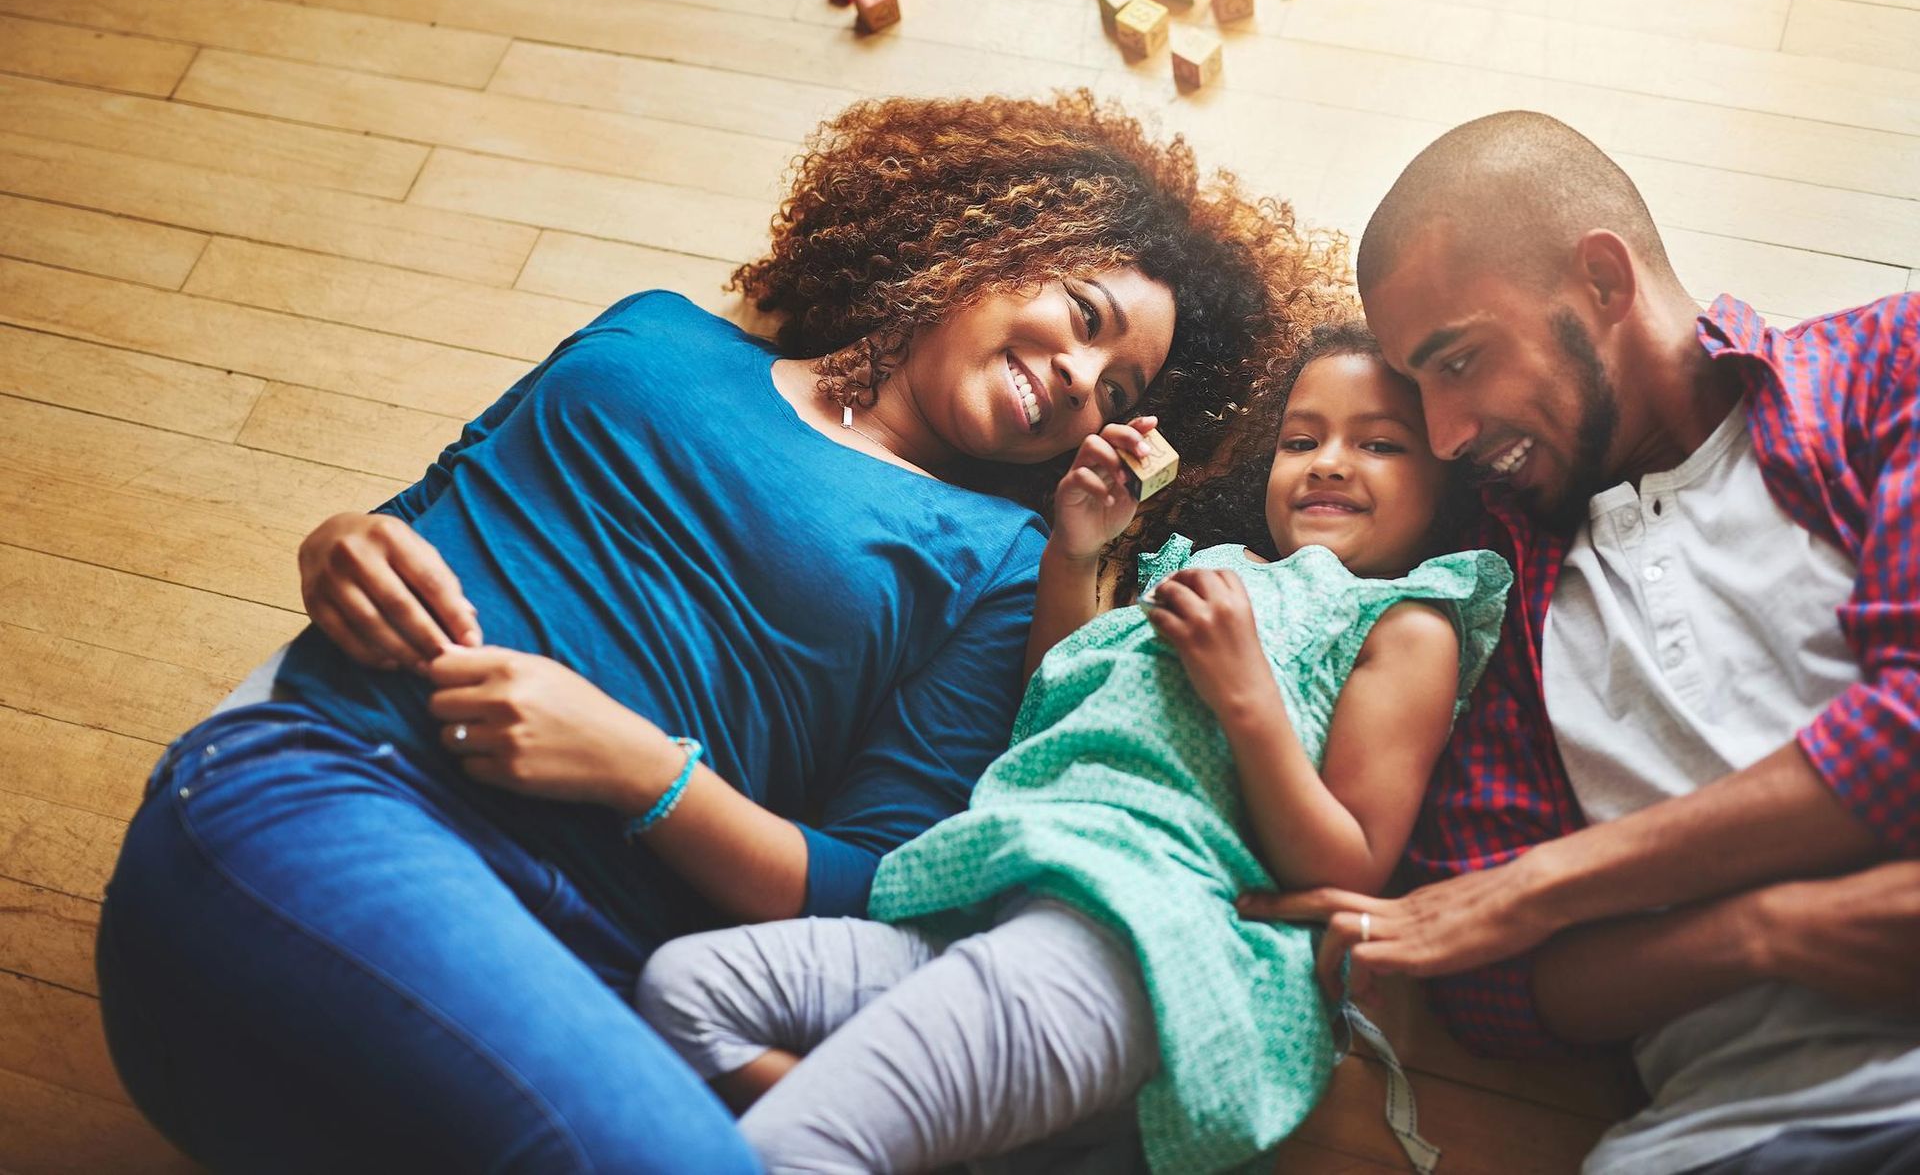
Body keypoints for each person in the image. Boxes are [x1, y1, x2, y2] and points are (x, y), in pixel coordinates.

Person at [93, 91, 1349, 1174]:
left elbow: (877, 882)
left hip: (587, 972)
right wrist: (337, 545)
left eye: (1116, 391)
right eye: (1082, 315)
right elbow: (433, 509)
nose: (1083, 380)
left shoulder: (1001, 564)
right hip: (351, 789)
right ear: (983, 241)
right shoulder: (652, 334)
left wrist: (642, 770)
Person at [635, 323, 1513, 1174]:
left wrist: (1246, 696)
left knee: (800, 1145)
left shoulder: (1405, 618)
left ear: (1448, 483)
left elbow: (1350, 867)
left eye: (1381, 446)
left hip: (1141, 943)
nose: (1328, 461)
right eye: (1300, 439)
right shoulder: (1201, 566)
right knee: (684, 991)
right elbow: (1056, 697)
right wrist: (1077, 548)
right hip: (1002, 897)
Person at [1244, 111, 1920, 1175]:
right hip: (1714, 1142)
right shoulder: (1493, 600)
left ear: (1604, 282)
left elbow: (1908, 730)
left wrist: (1548, 884)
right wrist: (1768, 933)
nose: (1450, 433)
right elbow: (1492, 986)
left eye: (1458, 362)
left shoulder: (1881, 371)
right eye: (1420, 395)